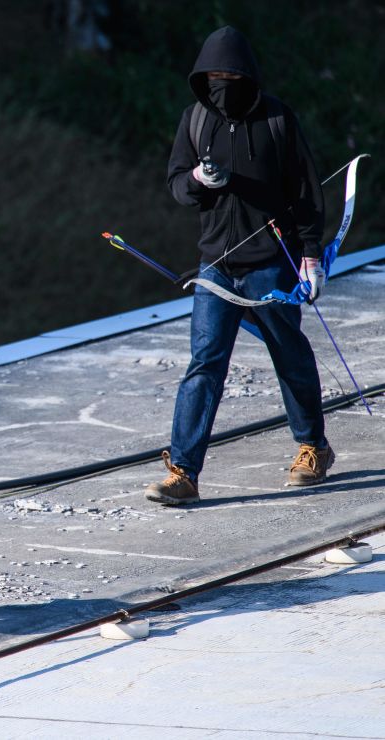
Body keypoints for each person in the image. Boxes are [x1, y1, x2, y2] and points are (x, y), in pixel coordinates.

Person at [147, 26, 333, 506]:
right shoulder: (195, 118)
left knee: (288, 354)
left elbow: (307, 193)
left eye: (231, 74)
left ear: (248, 75)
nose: (222, 83)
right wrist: (196, 178)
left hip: (272, 264)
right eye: (213, 75)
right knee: (204, 364)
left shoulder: (278, 120)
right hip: (216, 266)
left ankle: (312, 447)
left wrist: (311, 257)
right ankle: (184, 473)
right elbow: (176, 185)